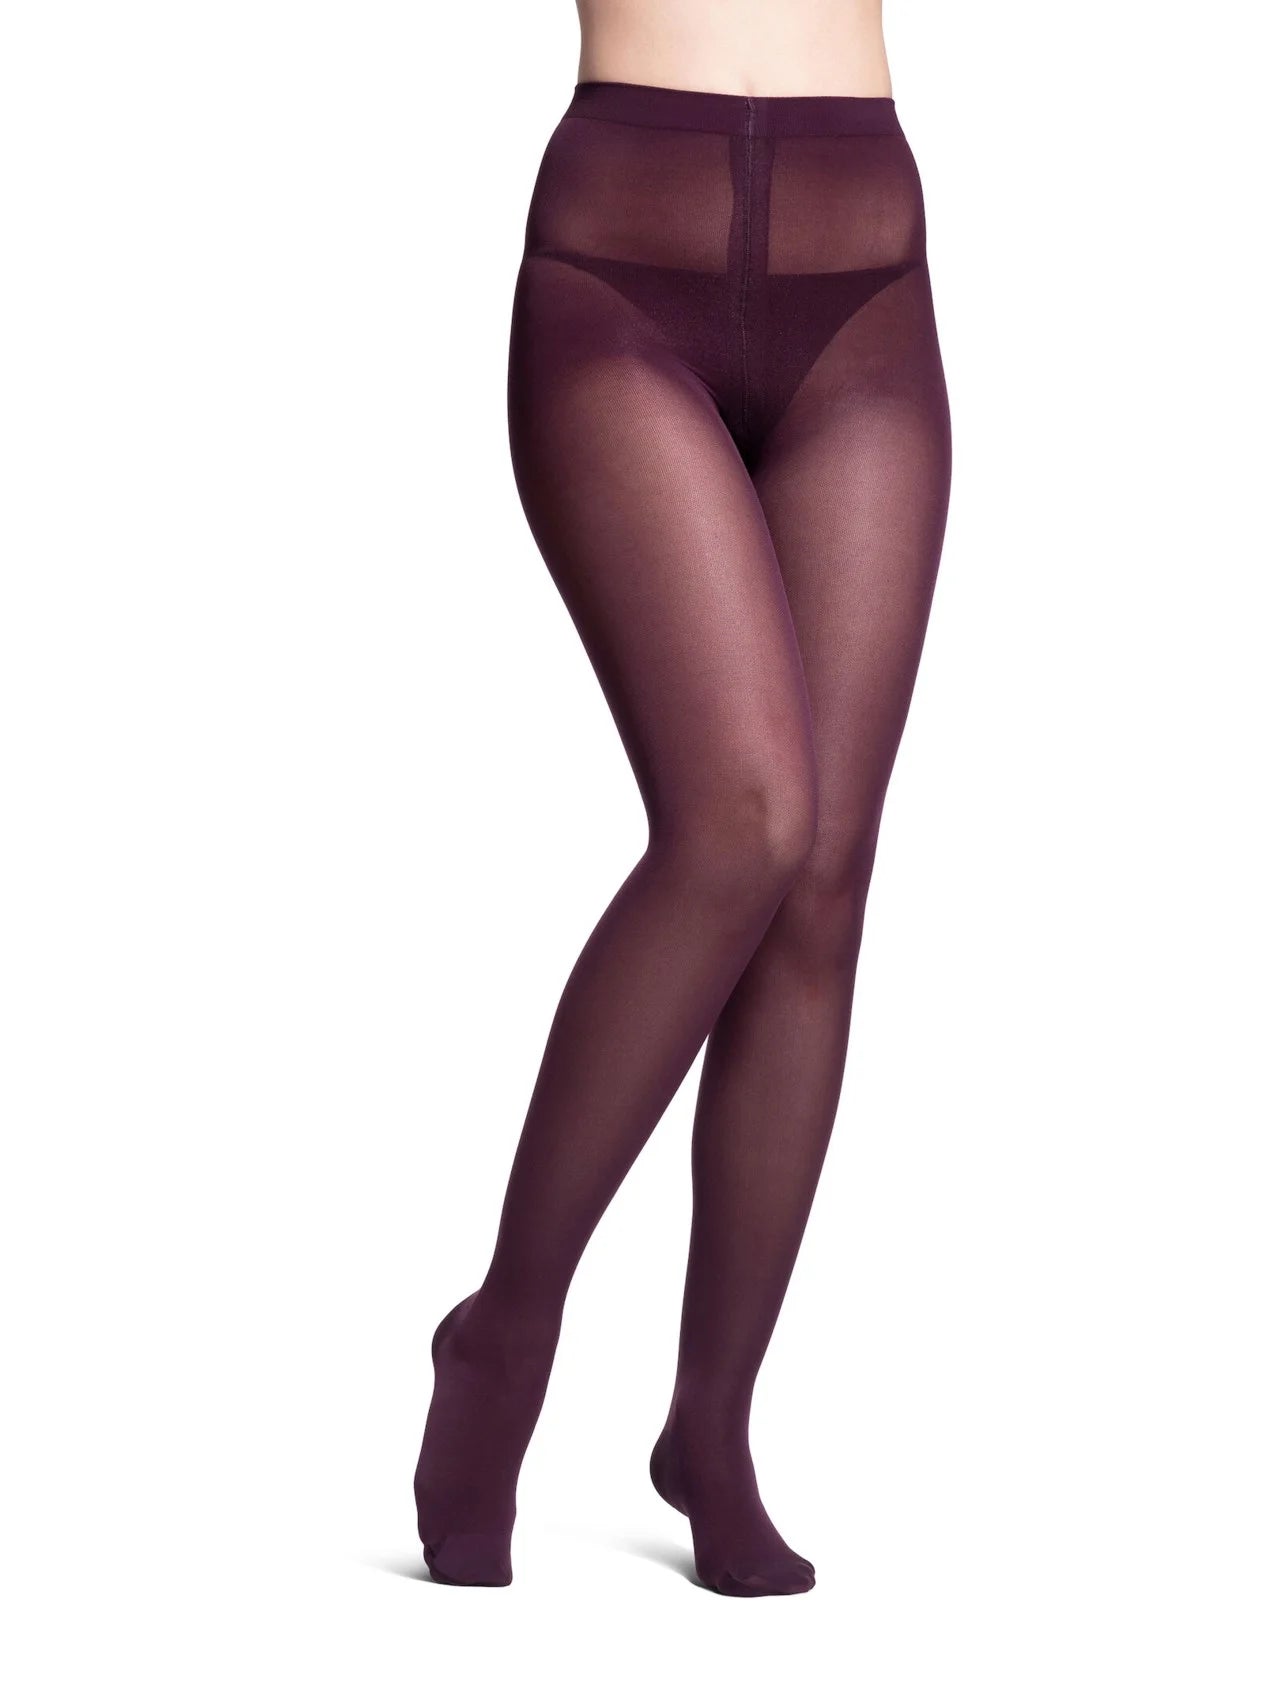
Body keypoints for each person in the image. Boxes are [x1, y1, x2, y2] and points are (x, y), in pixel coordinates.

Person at [414, 0, 951, 1596]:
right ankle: (503, 1333)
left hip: (868, 276)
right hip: (618, 265)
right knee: (741, 824)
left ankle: (711, 1429)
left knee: (822, 877)